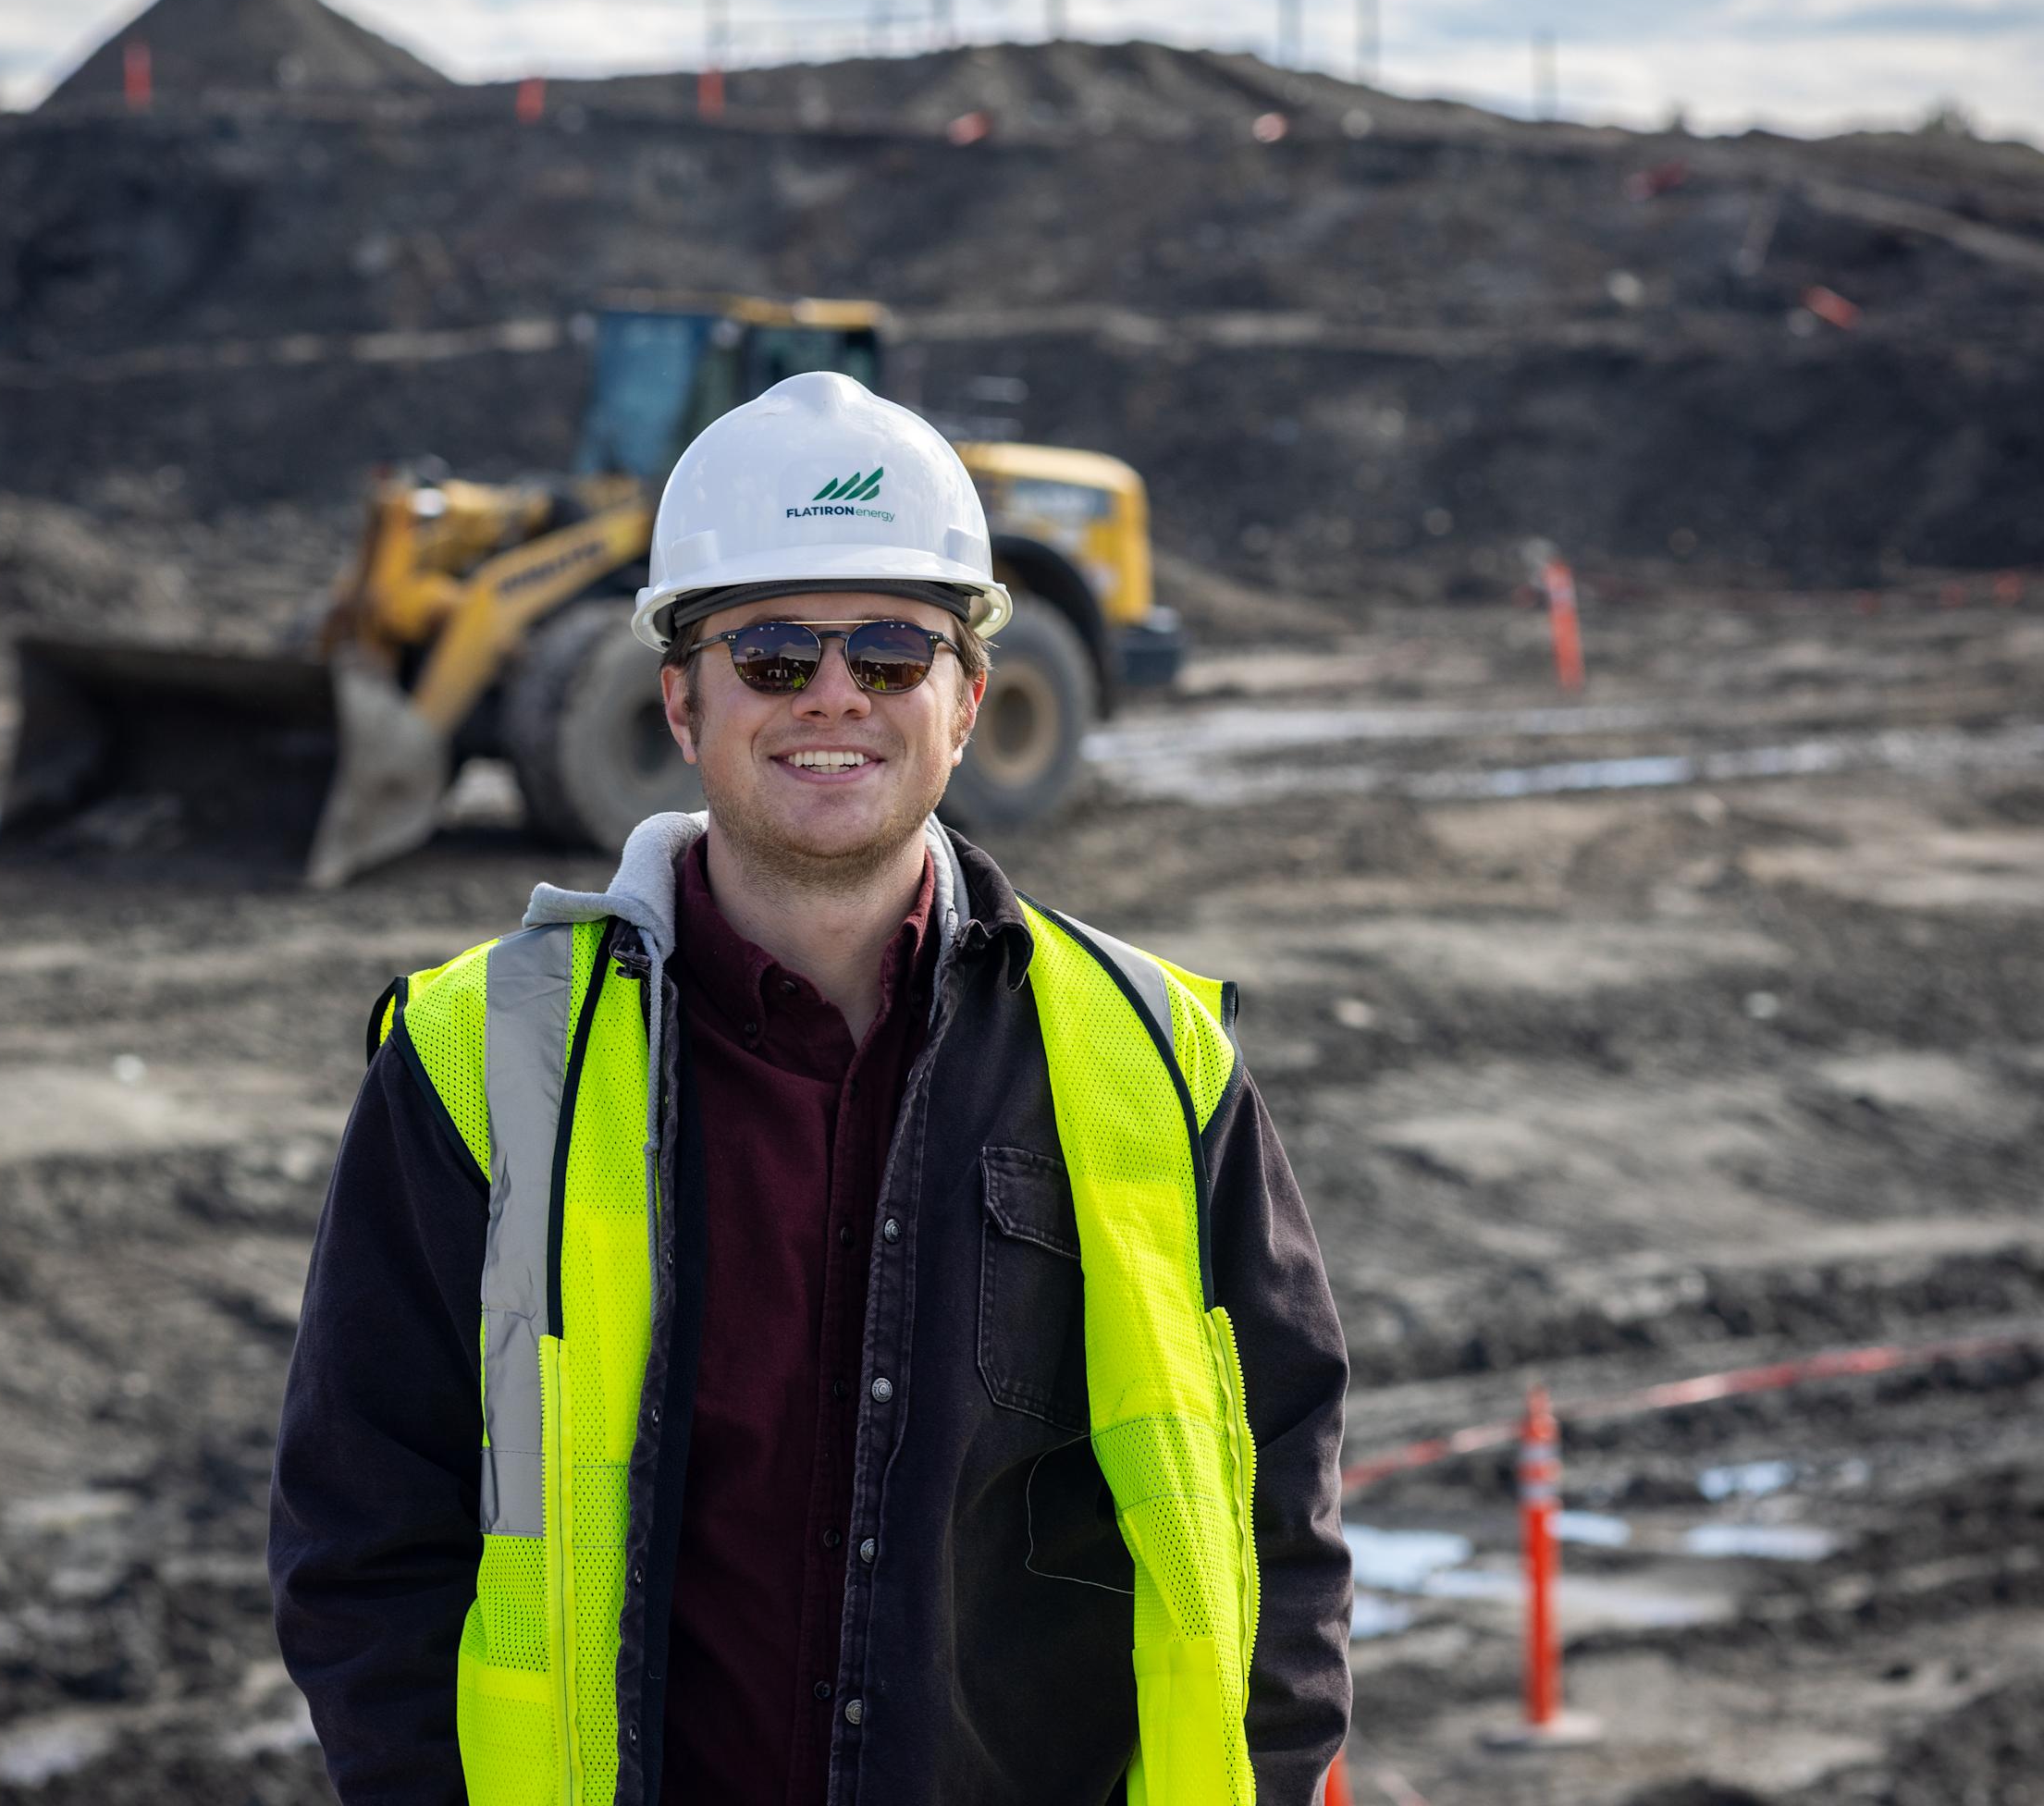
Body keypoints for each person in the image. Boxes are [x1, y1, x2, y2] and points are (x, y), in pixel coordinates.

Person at [269, 371, 1352, 1806]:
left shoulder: (1152, 1061)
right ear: (680, 700)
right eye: (774, 652)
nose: (835, 695)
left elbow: (1277, 1533)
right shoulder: (477, 1062)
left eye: (895, 653)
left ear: (968, 703)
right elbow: (365, 1540)